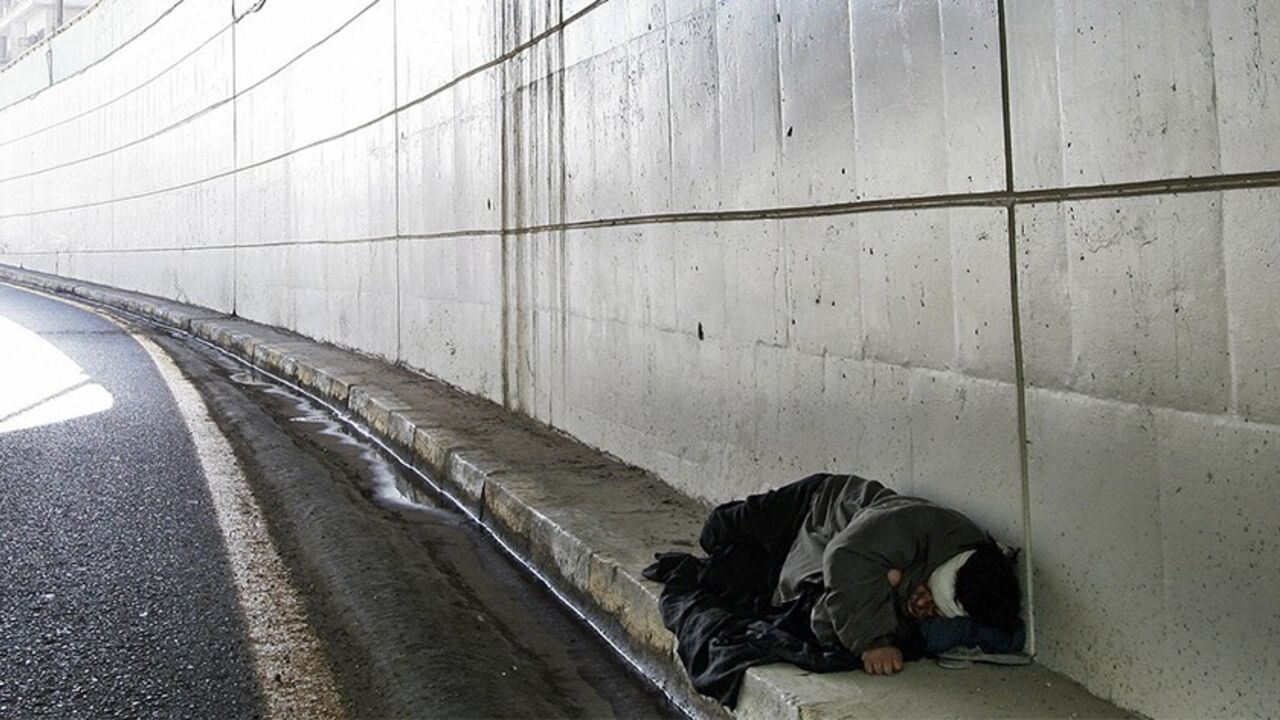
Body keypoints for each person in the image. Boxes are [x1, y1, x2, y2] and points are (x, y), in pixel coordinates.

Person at [645, 472, 1024, 705]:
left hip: (797, 565)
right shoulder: (916, 526)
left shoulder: (972, 586)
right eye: (924, 591)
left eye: (932, 610)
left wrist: (886, 581)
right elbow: (845, 557)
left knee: (725, 570)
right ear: (937, 567)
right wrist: (873, 640)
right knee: (715, 533)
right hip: (814, 505)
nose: (921, 604)